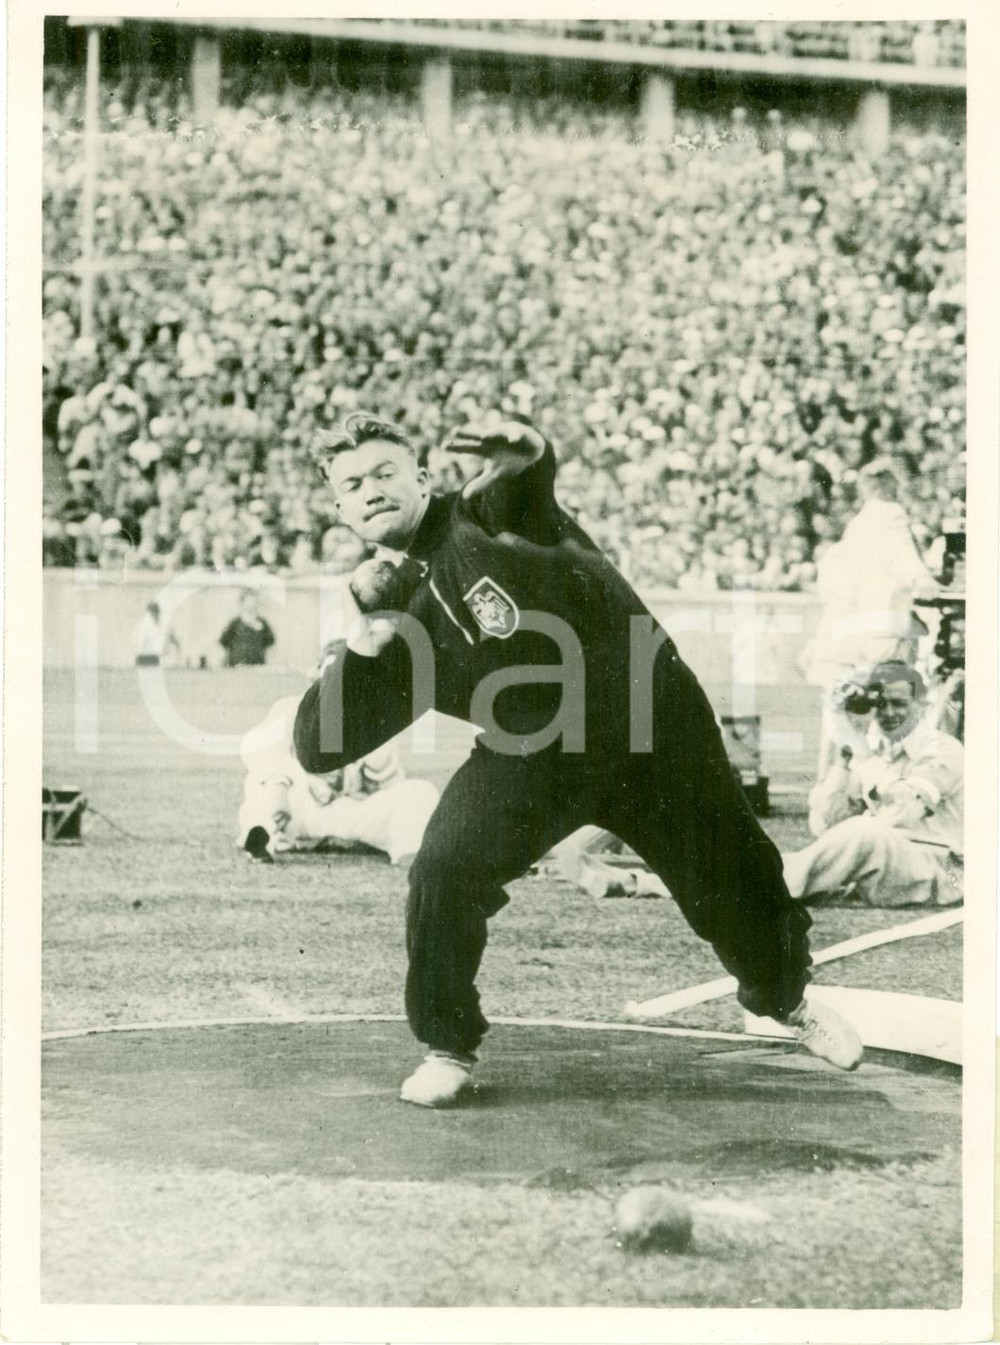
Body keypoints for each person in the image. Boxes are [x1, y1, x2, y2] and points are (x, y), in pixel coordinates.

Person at [294, 411, 863, 1109]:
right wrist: (363, 638)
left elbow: (525, 470)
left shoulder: (484, 514)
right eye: (354, 483)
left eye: (385, 472)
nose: (372, 489)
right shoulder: (395, 612)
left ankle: (788, 999)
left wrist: (520, 449)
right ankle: (448, 1044)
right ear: (340, 506)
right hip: (531, 749)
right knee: (444, 863)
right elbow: (319, 744)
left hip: (649, 722)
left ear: (421, 476)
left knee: (733, 874)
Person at [782, 662, 963, 908]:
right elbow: (825, 824)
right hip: (886, 868)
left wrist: (863, 755)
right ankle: (766, 875)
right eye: (880, 704)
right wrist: (844, 758)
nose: (888, 714)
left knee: (866, 831)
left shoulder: (944, 750)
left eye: (899, 704)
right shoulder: (876, 751)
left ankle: (769, 886)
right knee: (864, 830)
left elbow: (903, 813)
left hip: (938, 871)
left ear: (922, 706)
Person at [238, 694, 439, 867]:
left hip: (347, 812)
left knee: (421, 791)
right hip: (294, 810)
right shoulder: (290, 707)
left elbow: (388, 786)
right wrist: (279, 790)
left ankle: (410, 849)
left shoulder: (374, 716)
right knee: (261, 785)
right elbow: (257, 750)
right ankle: (262, 835)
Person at [219, 589, 276, 667]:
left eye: (254, 601)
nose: (252, 604)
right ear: (242, 603)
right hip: (237, 666)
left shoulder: (262, 623)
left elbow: (270, 641)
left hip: (257, 665)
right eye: (249, 601)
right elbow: (224, 641)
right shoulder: (235, 623)